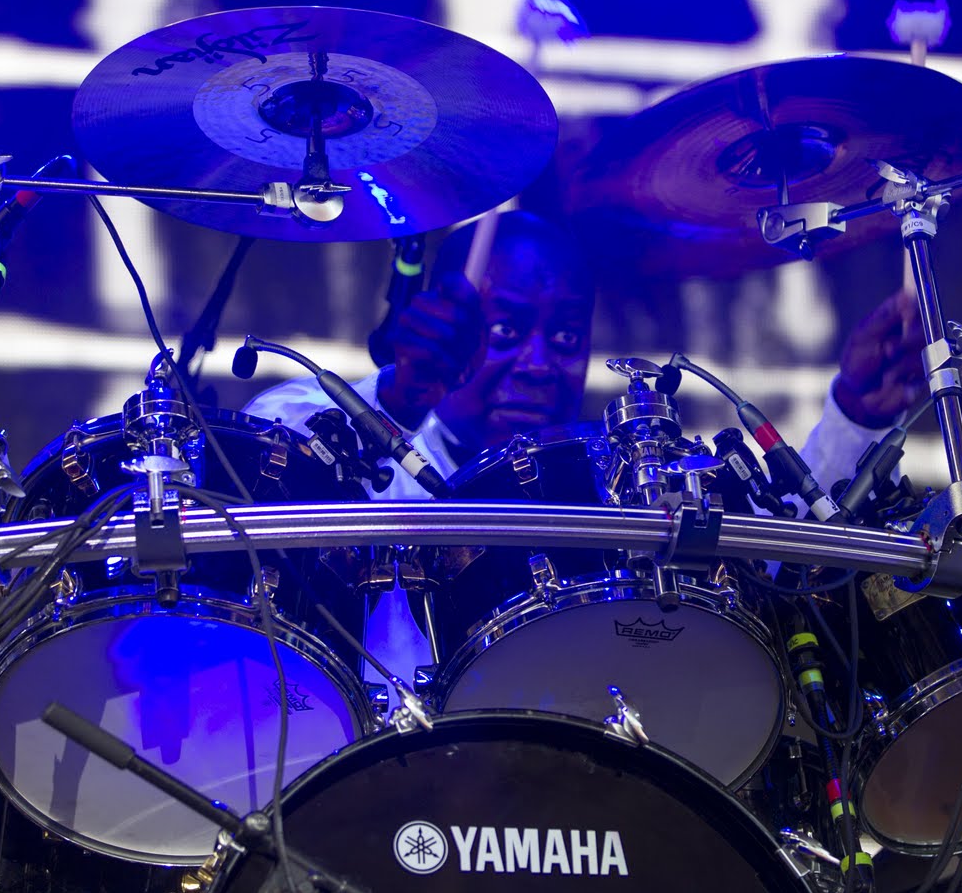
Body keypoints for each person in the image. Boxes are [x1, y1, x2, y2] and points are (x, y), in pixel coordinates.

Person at [243, 210, 924, 697]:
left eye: (566, 338)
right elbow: (263, 476)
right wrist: (399, 398)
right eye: (505, 330)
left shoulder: (608, 478)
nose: (541, 364)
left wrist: (855, 417)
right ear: (435, 318)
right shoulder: (319, 417)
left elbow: (771, 564)